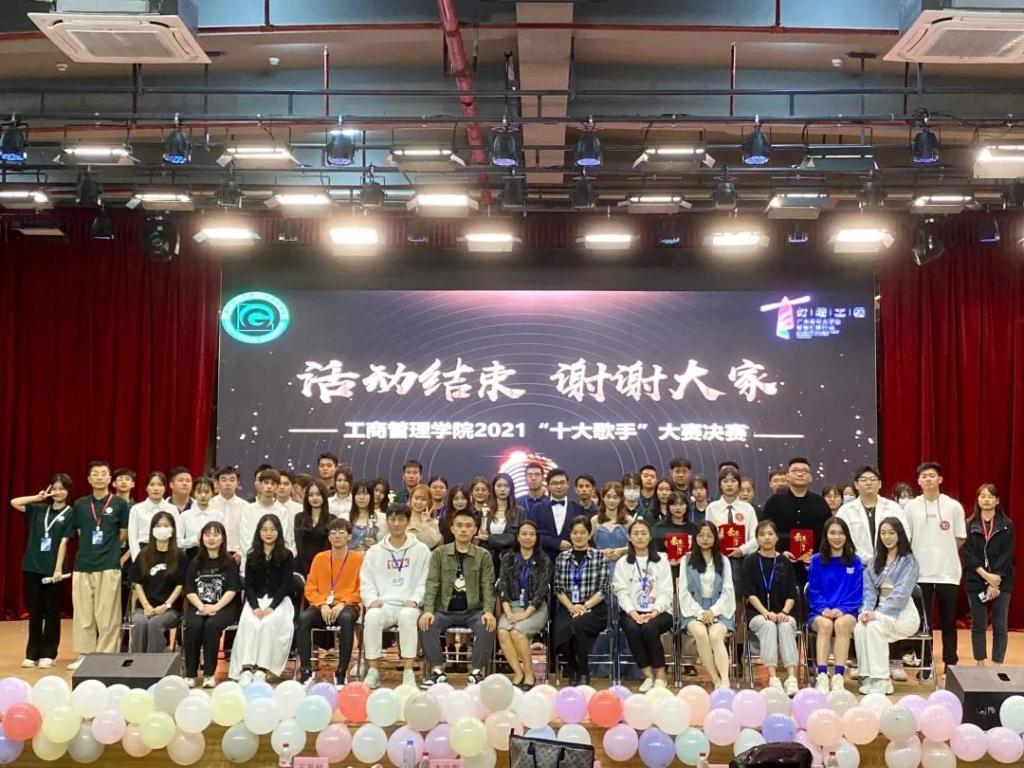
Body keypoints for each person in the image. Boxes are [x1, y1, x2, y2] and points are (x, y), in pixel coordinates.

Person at [418, 508, 497, 688]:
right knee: (426, 623)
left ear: (475, 530)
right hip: (445, 610)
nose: (463, 529)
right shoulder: (439, 553)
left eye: (468, 526)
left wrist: (488, 611)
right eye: (459, 525)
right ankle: (437, 671)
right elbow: (432, 583)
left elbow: (488, 586)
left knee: (488, 624)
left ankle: (476, 672)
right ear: (452, 529)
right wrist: (428, 610)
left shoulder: (483, 555)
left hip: (473, 611)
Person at [904, 461, 966, 680]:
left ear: (940, 479)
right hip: (920, 572)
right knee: (923, 622)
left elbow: (960, 537)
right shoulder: (911, 507)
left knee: (949, 621)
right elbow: (907, 538)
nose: (928, 479)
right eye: (924, 476)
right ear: (919, 481)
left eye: (932, 475)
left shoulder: (953, 506)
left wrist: (942, 552)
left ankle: (951, 665)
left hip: (948, 573)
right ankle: (926, 665)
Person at [65, 460, 130, 671]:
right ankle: (85, 653)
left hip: (109, 565)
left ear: (110, 478)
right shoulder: (80, 504)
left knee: (108, 614)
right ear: (89, 479)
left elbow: (123, 533)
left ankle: (105, 655)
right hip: (83, 565)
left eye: (103, 473)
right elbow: (80, 532)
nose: (99, 477)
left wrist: (110, 551)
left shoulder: (120, 504)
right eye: (95, 474)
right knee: (83, 613)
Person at [360, 503, 431, 689]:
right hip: (384, 604)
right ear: (387, 522)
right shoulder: (375, 551)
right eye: (392, 519)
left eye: (401, 519)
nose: (397, 524)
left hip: (409, 604)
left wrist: (416, 600)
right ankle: (373, 671)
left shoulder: (421, 550)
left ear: (408, 522)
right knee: (372, 616)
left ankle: (408, 671)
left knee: (407, 616)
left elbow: (426, 580)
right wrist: (371, 601)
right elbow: (366, 580)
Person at [11, 475, 75, 668]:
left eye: (62, 488)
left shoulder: (70, 513)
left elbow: (64, 542)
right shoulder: (39, 509)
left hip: (53, 571)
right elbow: (14, 502)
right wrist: (37, 498)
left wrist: (58, 569)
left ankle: (49, 653)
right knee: (35, 612)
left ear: (68, 491)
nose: (58, 492)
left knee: (52, 613)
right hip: (32, 566)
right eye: (54, 488)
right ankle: (32, 653)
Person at [854, 517, 920, 695]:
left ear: (899, 534)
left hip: (903, 613)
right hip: (879, 610)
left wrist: (878, 614)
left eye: (891, 533)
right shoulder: (875, 561)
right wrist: (866, 611)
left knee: (874, 627)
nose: (887, 537)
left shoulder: (909, 561)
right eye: (883, 533)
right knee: (861, 626)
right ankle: (868, 677)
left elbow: (901, 594)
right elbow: (868, 590)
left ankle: (882, 680)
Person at [229, 514, 297, 685]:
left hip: (279, 602)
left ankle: (262, 668)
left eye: (272, 529)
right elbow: (249, 586)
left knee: (267, 624)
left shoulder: (287, 555)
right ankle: (246, 667)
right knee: (249, 623)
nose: (268, 533)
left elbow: (286, 585)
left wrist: (272, 607)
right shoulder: (252, 555)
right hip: (256, 602)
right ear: (259, 532)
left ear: (279, 532)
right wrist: (255, 607)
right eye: (264, 529)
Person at [297, 518, 362, 685]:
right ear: (328, 537)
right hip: (322, 605)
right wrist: (322, 604)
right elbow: (310, 588)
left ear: (349, 536)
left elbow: (362, 589)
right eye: (333, 533)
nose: (337, 536)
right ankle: (306, 670)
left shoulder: (358, 559)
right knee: (304, 619)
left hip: (347, 605)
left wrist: (344, 603)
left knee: (346, 618)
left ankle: (341, 672)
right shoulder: (319, 558)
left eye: (341, 532)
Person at [612, 518, 674, 691]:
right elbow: (621, 591)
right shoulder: (623, 563)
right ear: (629, 537)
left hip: (660, 612)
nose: (640, 537)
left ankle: (661, 675)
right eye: (636, 534)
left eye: (643, 533)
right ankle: (648, 675)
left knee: (649, 628)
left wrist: (654, 612)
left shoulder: (661, 560)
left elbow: (666, 591)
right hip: (632, 611)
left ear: (650, 537)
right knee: (632, 629)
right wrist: (633, 613)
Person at [741, 520, 800, 696]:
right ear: (757, 539)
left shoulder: (784, 561)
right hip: (758, 613)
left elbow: (792, 594)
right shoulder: (750, 561)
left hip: (784, 612)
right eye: (762, 534)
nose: (766, 538)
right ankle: (773, 678)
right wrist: (766, 613)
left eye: (770, 534)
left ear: (776, 537)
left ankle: (791, 678)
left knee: (786, 625)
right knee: (768, 625)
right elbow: (750, 594)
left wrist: (784, 612)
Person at [807, 517, 863, 693]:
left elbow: (856, 592)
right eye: (832, 533)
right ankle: (822, 675)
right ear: (826, 535)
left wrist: (842, 609)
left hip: (847, 611)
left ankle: (839, 676)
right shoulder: (816, 561)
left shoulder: (855, 561)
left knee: (841, 624)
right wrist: (823, 609)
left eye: (841, 533)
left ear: (846, 536)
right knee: (825, 625)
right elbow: (814, 590)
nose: (837, 537)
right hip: (819, 611)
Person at [183, 520, 241, 688]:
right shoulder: (196, 561)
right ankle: (191, 674)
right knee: (193, 625)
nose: (211, 538)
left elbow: (232, 589)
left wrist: (215, 607)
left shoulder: (230, 562)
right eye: (207, 535)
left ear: (222, 538)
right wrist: (202, 607)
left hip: (224, 607)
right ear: (202, 538)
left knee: (211, 626)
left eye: (216, 534)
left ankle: (209, 674)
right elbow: (189, 588)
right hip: (199, 605)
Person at [552, 516, 609, 686]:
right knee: (560, 632)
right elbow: (558, 588)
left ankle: (583, 672)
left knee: (577, 625)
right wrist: (571, 607)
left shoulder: (599, 557)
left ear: (589, 534)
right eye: (575, 532)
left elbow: (603, 589)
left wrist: (584, 606)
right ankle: (573, 668)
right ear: (570, 534)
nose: (578, 536)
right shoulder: (562, 558)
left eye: (583, 532)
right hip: (568, 606)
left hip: (594, 608)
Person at [678, 521, 735, 689]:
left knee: (716, 636)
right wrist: (701, 613)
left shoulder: (723, 560)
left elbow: (728, 591)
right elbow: (683, 591)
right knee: (701, 634)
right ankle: (716, 679)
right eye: (701, 535)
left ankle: (725, 680)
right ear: (695, 538)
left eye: (709, 536)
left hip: (719, 608)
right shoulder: (686, 560)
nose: (705, 539)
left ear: (715, 538)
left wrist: (713, 611)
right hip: (693, 609)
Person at [964, 484, 1014, 667]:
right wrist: (985, 576)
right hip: (976, 578)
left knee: (1000, 624)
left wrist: (994, 581)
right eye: (983, 496)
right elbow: (967, 554)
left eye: (990, 496)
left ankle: (997, 665)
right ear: (977, 500)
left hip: (1001, 580)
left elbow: (1007, 554)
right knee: (978, 624)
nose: (986, 499)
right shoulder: (968, 525)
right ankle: (980, 663)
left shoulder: (1006, 525)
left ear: (997, 501)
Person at [496, 520, 551, 690]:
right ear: (518, 537)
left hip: (535, 608)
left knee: (517, 632)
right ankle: (518, 672)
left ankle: (529, 673)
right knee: (503, 631)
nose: (527, 537)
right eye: (524, 534)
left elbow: (542, 591)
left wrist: (525, 614)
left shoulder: (544, 560)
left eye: (531, 534)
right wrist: (508, 612)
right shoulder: (508, 558)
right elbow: (503, 587)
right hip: (511, 606)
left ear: (536, 537)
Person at [761, 457, 832, 585]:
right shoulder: (774, 502)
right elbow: (764, 531)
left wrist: (818, 556)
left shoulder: (820, 503)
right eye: (795, 471)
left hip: (813, 565)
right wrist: (779, 552)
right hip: (779, 564)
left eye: (804, 471)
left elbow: (827, 534)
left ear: (810, 477)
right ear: (787, 476)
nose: (800, 474)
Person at [129, 511, 187, 653]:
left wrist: (166, 605)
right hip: (144, 606)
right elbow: (137, 583)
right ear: (152, 529)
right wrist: (146, 606)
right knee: (139, 622)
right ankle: (137, 661)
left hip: (170, 609)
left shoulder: (180, 556)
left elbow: (180, 585)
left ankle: (152, 663)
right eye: (158, 525)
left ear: (172, 530)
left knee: (155, 623)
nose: (162, 529)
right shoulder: (144, 554)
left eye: (166, 526)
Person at [240, 469, 293, 568]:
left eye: (273, 483)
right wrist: (258, 557)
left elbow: (284, 538)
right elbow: (245, 540)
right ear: (260, 485)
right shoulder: (248, 510)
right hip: (252, 563)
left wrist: (272, 558)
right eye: (266, 483)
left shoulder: (283, 511)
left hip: (277, 564)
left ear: (277, 486)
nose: (269, 486)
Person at [706, 466, 759, 564]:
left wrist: (742, 550)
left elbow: (755, 538)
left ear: (739, 485)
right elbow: (707, 536)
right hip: (718, 559)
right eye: (725, 481)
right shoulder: (711, 508)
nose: (729, 485)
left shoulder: (748, 508)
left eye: (733, 481)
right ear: (720, 485)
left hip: (744, 560)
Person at [530, 469, 584, 563]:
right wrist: (557, 544)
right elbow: (532, 534)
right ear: (548, 486)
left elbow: (583, 534)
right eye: (554, 483)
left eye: (562, 482)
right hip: (543, 562)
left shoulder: (578, 509)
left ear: (568, 484)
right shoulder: (536, 508)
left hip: (571, 561)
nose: (559, 486)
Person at [128, 472, 177, 561]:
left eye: (160, 485)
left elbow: (177, 535)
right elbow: (132, 538)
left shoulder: (172, 509)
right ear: (146, 487)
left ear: (165, 488)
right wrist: (137, 559)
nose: (156, 488)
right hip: (143, 550)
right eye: (152, 485)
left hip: (167, 552)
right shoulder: (136, 509)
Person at [478, 473, 522, 572]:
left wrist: (490, 538)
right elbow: (480, 537)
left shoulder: (519, 512)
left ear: (511, 489)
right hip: (488, 560)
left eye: (506, 486)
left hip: (511, 560)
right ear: (493, 488)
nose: (502, 489)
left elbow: (518, 538)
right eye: (499, 486)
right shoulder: (485, 511)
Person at [653, 491, 696, 579]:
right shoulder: (660, 527)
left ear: (687, 506)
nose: (678, 508)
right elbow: (656, 552)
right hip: (665, 572)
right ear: (668, 507)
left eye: (681, 504)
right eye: (674, 504)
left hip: (689, 572)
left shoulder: (694, 528)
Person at [294, 479, 332, 577]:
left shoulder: (332, 519)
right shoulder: (299, 518)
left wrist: (317, 568)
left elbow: (328, 548)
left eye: (318, 494)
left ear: (324, 496)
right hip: (301, 566)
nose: (315, 498)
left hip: (323, 566)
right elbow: (299, 544)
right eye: (311, 495)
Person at [210, 465, 247, 563]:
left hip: (238, 555)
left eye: (232, 480)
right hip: (213, 553)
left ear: (237, 483)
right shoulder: (209, 505)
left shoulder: (246, 507)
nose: (228, 483)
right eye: (224, 480)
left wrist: (241, 552)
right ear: (217, 483)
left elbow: (249, 533)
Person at [591, 481, 629, 576]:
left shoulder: (628, 520)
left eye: (615, 497)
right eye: (608, 497)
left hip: (623, 568)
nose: (611, 501)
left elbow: (636, 546)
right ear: (603, 498)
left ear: (620, 499)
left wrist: (622, 551)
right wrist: (601, 552)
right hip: (599, 568)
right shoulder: (595, 520)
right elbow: (585, 547)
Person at [180, 476, 222, 560]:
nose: (203, 495)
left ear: (212, 493)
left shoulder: (219, 516)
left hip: (214, 556)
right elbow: (178, 542)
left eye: (207, 492)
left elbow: (223, 540)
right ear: (194, 493)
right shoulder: (185, 516)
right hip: (191, 556)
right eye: (199, 492)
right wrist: (195, 539)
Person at [348, 480, 380, 551]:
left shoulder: (381, 519)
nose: (361, 497)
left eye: (365, 494)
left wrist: (376, 545)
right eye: (358, 494)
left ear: (371, 496)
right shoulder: (344, 517)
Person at [408, 484, 443, 550]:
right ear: (411, 499)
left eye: (423, 499)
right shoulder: (403, 519)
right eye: (416, 498)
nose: (419, 502)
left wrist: (425, 524)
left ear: (429, 502)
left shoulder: (434, 523)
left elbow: (429, 544)